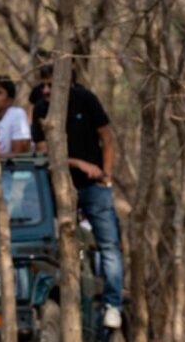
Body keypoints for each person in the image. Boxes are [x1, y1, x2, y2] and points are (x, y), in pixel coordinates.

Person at [31, 66, 124, 328]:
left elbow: (107, 137)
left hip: (94, 187)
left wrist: (107, 174)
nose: (46, 90)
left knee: (109, 246)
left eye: (51, 85)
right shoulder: (40, 109)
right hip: (59, 188)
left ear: (67, 84)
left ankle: (112, 305)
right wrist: (79, 164)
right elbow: (43, 152)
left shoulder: (86, 100)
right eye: (43, 85)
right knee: (56, 247)